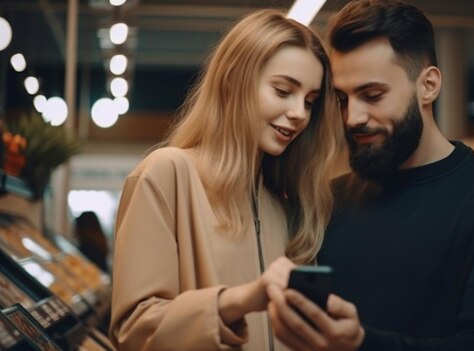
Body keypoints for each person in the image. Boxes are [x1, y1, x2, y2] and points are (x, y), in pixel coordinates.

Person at [266, 1, 474, 350]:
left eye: (372, 95)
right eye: (342, 99)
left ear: (428, 85)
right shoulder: (328, 201)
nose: (353, 117)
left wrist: (360, 344)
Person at [109, 9, 342, 351]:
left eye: (310, 101)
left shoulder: (287, 206)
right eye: (282, 91)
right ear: (234, 80)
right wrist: (241, 300)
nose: (299, 113)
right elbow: (134, 329)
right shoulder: (167, 173)